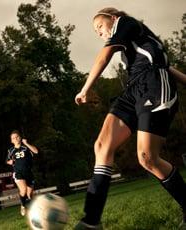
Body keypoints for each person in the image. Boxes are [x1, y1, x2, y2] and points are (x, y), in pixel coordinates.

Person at [74, 7, 186, 229]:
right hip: (134, 90)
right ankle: (91, 221)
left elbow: (105, 55)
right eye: (96, 32)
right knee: (102, 146)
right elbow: (168, 65)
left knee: (147, 158)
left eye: (100, 26)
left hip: (154, 86)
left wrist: (85, 88)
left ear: (113, 19)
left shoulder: (125, 22)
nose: (100, 33)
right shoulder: (136, 43)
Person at [6, 130, 38, 216]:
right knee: (23, 191)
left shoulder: (26, 147)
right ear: (11, 141)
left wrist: (26, 143)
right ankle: (23, 206)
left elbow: (36, 151)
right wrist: (10, 162)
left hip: (28, 173)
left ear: (20, 138)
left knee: (29, 195)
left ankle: (33, 208)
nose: (15, 139)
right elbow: (7, 161)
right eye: (13, 138)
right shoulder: (11, 150)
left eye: (17, 137)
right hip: (18, 173)